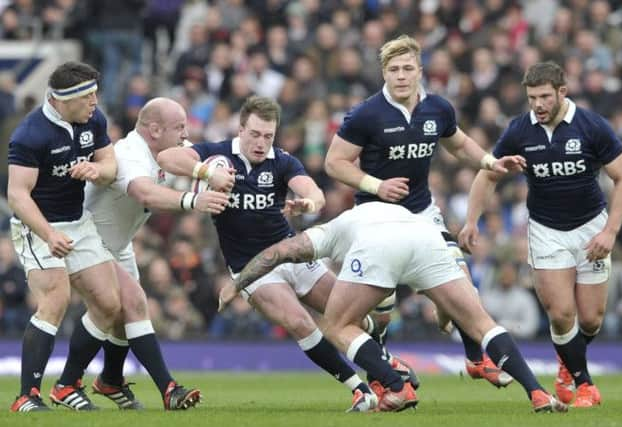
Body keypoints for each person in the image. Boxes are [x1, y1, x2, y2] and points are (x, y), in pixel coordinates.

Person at [217, 202, 569, 413]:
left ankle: (394, 383)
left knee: (337, 326)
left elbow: (278, 253)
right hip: (424, 236)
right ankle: (537, 393)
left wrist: (237, 282)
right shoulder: (369, 214)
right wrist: (447, 311)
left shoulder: (327, 233)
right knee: (481, 322)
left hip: (381, 245)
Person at [324, 34, 525, 387]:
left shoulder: (438, 109)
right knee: (382, 315)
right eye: (393, 69)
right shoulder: (366, 114)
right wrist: (376, 185)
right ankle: (381, 378)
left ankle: (475, 359)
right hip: (377, 218)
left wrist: (491, 162)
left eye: (407, 68)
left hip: (421, 213)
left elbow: (459, 144)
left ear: (420, 71)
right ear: (384, 74)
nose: (401, 75)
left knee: (463, 286)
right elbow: (334, 163)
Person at [157, 96, 374, 412]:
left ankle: (386, 369)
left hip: (291, 254)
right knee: (299, 321)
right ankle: (359, 388)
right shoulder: (217, 155)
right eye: (255, 134)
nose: (261, 143)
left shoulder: (282, 161)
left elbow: (312, 190)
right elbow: (166, 156)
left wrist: (310, 203)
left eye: (268, 136)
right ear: (241, 129)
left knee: (347, 312)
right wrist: (206, 173)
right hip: (251, 269)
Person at [459, 61, 622, 408]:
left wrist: (611, 232)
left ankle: (567, 364)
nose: (538, 105)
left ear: (561, 93)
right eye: (531, 98)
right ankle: (585, 385)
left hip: (591, 227)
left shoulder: (591, 126)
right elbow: (487, 174)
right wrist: (471, 221)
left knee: (590, 318)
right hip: (546, 230)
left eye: (544, 97)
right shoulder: (519, 131)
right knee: (560, 313)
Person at [60, 97, 232, 410]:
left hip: (118, 243)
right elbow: (143, 192)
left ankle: (110, 380)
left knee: (126, 317)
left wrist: (213, 170)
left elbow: (193, 156)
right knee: (134, 303)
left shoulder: (165, 149)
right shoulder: (130, 152)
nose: (185, 133)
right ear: (154, 130)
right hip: (88, 240)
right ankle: (168, 389)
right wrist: (194, 198)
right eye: (179, 127)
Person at [7, 61, 121, 412]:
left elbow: (110, 165)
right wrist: (49, 233)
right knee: (56, 299)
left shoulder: (94, 120)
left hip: (78, 222)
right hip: (37, 225)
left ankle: (67, 385)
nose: (95, 102)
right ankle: (27, 396)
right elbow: (18, 195)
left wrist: (97, 170)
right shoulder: (30, 134)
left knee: (108, 304)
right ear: (63, 100)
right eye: (88, 96)